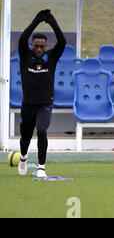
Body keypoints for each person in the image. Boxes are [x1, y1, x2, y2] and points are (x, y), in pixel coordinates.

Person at [17, 9, 67, 178]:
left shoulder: (51, 57)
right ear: (32, 45)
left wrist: (52, 22)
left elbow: (62, 41)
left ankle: (41, 167)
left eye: (41, 46)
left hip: (45, 103)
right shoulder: (26, 55)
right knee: (25, 136)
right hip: (28, 103)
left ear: (46, 46)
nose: (38, 48)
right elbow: (23, 38)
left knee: (42, 130)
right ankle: (23, 158)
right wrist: (36, 21)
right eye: (36, 45)